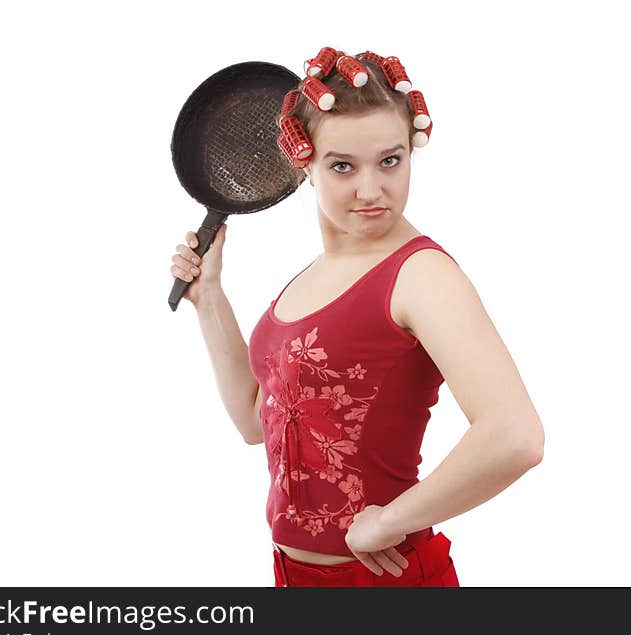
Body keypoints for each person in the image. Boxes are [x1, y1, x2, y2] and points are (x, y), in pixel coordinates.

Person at [169, 49, 545, 587]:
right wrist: (210, 299)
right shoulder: (309, 279)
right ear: (304, 164)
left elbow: (516, 436)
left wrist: (390, 520)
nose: (371, 191)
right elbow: (256, 422)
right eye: (343, 166)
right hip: (291, 578)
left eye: (390, 161)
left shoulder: (420, 275)